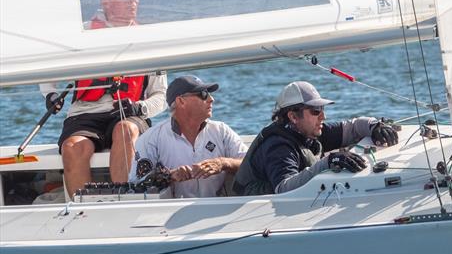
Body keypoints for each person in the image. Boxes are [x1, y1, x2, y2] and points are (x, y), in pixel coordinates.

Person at [40, 0, 167, 198]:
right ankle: (85, 213)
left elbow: (161, 96)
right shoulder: (80, 35)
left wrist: (140, 108)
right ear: (104, 1)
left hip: (129, 116)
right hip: (85, 115)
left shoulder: (149, 40)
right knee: (72, 148)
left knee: (125, 131)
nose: (132, 0)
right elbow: (46, 67)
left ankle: (125, 202)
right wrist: (50, 94)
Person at [233, 81, 399, 196]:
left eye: (321, 109)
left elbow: (353, 127)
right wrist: (327, 163)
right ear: (293, 116)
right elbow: (284, 188)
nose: (323, 116)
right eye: (315, 111)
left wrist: (375, 126)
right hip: (256, 213)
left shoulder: (310, 131)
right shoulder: (278, 146)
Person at [130, 75, 247, 198]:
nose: (211, 99)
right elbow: (135, 184)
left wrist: (223, 163)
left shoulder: (221, 131)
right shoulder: (151, 139)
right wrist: (169, 176)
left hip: (217, 210)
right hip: (170, 214)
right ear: (181, 101)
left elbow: (251, 163)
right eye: (203, 94)